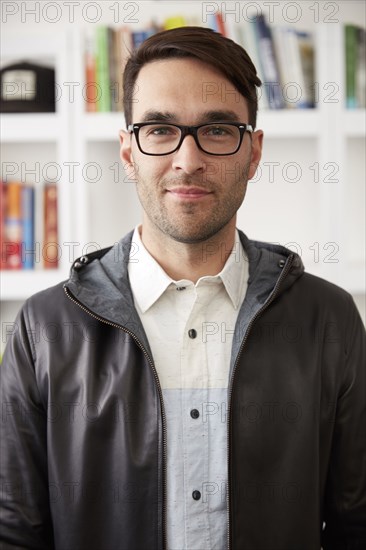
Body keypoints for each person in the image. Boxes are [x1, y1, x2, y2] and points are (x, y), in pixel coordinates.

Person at [1, 26, 365, 550]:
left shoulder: (329, 320)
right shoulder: (43, 329)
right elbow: (15, 531)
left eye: (217, 131)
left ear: (254, 152)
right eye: (159, 129)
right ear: (128, 152)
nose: (188, 160)